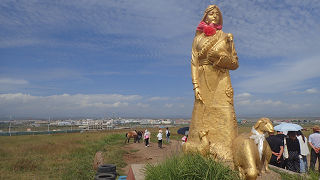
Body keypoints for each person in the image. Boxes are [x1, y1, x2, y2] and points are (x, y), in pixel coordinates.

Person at [188, 5, 239, 160]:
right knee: (201, 112)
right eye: (211, 13)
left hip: (222, 78)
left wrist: (223, 60)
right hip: (203, 79)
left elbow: (235, 63)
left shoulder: (226, 36)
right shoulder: (197, 39)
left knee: (225, 111)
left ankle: (228, 154)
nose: (214, 16)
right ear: (205, 17)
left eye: (217, 14)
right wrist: (195, 85)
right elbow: (194, 63)